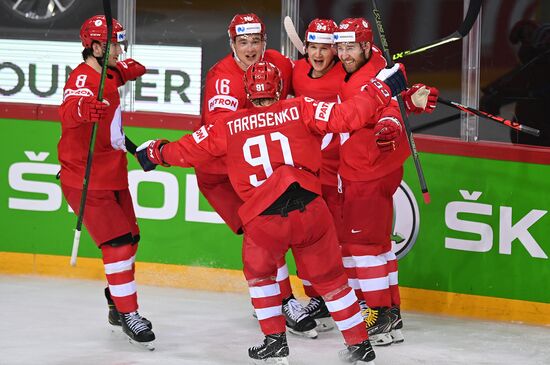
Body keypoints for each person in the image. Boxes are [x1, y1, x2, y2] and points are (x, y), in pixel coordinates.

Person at [135, 60, 415, 364]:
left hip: (265, 220)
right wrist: (382, 88)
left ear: (247, 92)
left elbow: (186, 151)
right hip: (310, 210)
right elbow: (348, 115)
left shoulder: (227, 125)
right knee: (333, 280)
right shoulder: (301, 107)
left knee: (260, 277)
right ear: (279, 88)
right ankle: (360, 344)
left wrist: (155, 152)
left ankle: (274, 343)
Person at [199, 13, 318, 338]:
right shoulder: (222, 78)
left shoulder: (278, 61)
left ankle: (273, 298)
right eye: (243, 42)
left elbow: (306, 84)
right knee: (268, 233)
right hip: (223, 173)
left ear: (264, 42)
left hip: (259, 167)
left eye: (255, 41)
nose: (250, 49)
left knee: (275, 231)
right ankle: (282, 302)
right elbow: (222, 136)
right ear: (232, 44)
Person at [334, 17, 439, 346]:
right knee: (379, 246)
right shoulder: (381, 63)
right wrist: (411, 100)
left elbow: (389, 110)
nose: (343, 53)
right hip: (374, 168)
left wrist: (391, 125)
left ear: (365, 46)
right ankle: (390, 314)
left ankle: (376, 313)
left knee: (361, 247)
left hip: (367, 171)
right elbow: (397, 99)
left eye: (350, 47)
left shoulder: (373, 76)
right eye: (340, 46)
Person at [57, 15, 154, 349]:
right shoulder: (83, 80)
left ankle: (116, 300)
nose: (119, 50)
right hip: (85, 179)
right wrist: (86, 110)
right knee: (118, 246)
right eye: (113, 45)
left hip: (113, 172)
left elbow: (129, 67)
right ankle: (129, 314)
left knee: (132, 238)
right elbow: (70, 109)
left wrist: (132, 67)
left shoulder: (109, 71)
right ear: (95, 47)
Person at [291, 18, 346, 333]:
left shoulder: (345, 74)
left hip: (338, 171)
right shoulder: (297, 72)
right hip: (306, 169)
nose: (318, 54)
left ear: (336, 49)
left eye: (325, 47)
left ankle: (353, 295)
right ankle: (318, 296)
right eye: (313, 47)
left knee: (339, 237)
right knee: (306, 236)